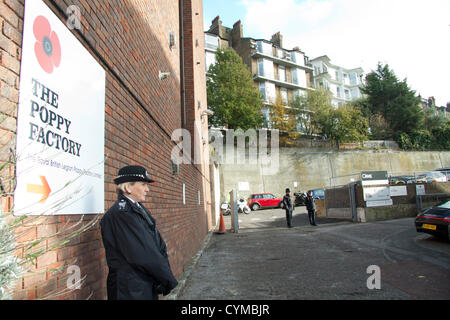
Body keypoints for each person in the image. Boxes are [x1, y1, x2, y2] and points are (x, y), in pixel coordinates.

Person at [100, 165, 178, 300]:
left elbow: (155, 242)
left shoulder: (136, 208)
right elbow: (145, 254)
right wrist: (167, 279)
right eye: (143, 185)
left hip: (140, 285)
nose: (147, 189)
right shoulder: (122, 214)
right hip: (130, 290)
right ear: (128, 187)